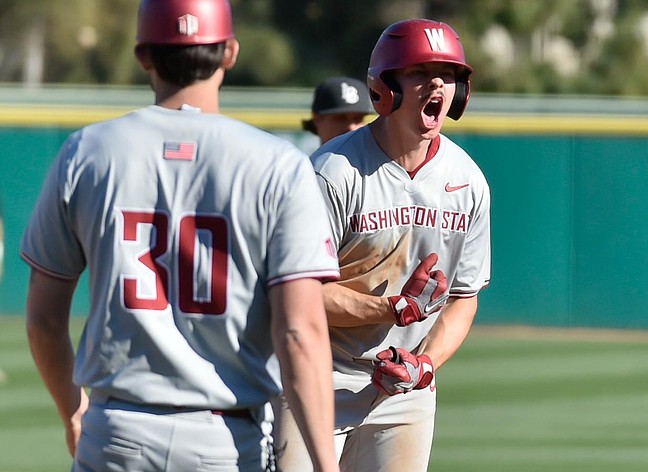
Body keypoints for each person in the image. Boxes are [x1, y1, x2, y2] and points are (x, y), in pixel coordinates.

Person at [21, 1, 339, 471]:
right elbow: (298, 331)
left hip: (117, 430)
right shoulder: (278, 164)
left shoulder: (87, 152)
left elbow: (45, 320)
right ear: (229, 52)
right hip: (226, 439)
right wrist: (326, 465)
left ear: (143, 55)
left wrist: (73, 411)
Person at [275, 18, 491, 472]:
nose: (437, 82)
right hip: (318, 376)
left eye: (448, 74)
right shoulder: (332, 172)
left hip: (403, 391)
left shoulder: (467, 181)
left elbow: (463, 299)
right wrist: (391, 309)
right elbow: (301, 295)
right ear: (384, 89)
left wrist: (426, 364)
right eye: (419, 71)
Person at [302, 76, 375, 145]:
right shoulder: (302, 158)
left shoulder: (379, 158)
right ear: (317, 119)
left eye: (358, 118)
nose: (351, 127)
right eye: (341, 118)